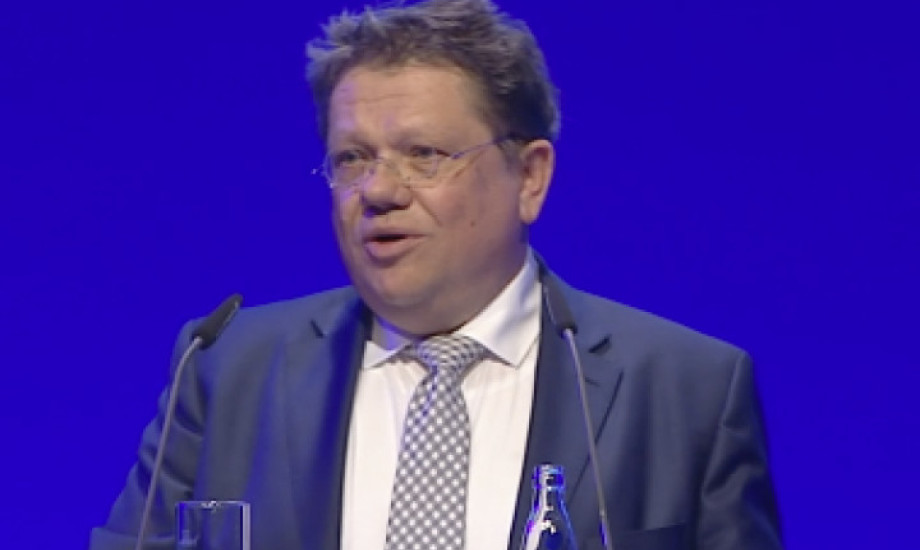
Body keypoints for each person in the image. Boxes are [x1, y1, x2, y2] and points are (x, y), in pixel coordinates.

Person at [90, 0, 782, 549]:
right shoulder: (226, 367)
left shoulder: (686, 389)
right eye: (353, 158)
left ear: (530, 177)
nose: (378, 191)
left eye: (424, 154)